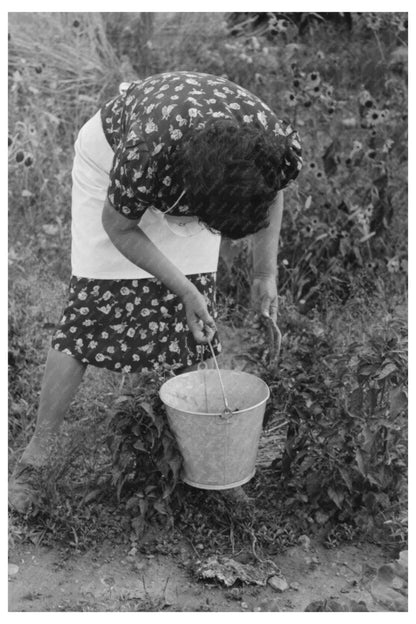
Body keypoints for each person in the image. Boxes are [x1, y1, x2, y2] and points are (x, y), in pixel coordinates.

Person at [9, 70, 302, 513]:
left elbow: (271, 192)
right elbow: (119, 226)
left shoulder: (272, 145)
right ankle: (37, 453)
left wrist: (265, 273)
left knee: (194, 323)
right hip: (112, 164)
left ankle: (200, 455)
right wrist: (183, 288)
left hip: (204, 171)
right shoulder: (146, 149)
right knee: (91, 307)